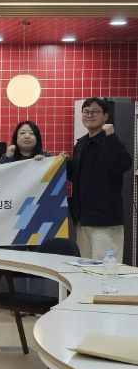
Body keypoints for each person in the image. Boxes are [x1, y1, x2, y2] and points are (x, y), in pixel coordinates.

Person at [67, 97, 132, 261]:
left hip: (105, 221)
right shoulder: (80, 145)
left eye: (95, 112)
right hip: (83, 219)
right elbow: (76, 177)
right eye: (86, 111)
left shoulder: (110, 141)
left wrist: (111, 136)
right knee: (85, 268)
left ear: (105, 116)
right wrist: (63, 163)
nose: (90, 115)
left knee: (105, 269)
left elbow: (123, 165)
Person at [0, 120, 52, 297]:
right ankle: (20, 299)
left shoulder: (47, 156)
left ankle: (37, 300)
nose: (27, 136)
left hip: (40, 218)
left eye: (31, 133)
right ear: (16, 138)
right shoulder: (7, 158)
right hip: (14, 217)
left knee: (39, 260)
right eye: (22, 133)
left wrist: (45, 165)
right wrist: (8, 157)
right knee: (18, 261)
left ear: (37, 138)